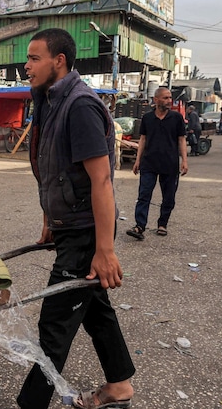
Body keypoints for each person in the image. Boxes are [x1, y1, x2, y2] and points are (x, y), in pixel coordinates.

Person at [19, 28, 134, 409]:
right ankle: (119, 387)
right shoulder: (49, 101)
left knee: (54, 324)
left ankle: (30, 404)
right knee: (94, 309)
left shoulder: (80, 105)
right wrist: (52, 220)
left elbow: (101, 180)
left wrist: (105, 250)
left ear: (59, 61)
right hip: (72, 227)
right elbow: (57, 171)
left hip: (87, 232)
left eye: (35, 58)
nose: (27, 65)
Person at [127, 87, 188, 240]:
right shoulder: (147, 118)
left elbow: (181, 140)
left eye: (170, 98)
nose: (169, 101)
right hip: (149, 163)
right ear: (156, 100)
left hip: (170, 164)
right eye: (166, 98)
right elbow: (143, 139)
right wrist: (138, 160)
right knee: (144, 195)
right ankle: (140, 226)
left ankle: (162, 224)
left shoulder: (176, 118)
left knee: (168, 197)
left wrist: (184, 161)